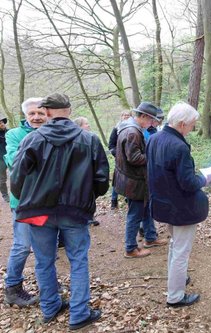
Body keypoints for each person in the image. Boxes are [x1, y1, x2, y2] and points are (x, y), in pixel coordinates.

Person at [10, 93, 108, 329]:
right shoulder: (89, 139)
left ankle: (50, 307)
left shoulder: (32, 139)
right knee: (78, 261)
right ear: (69, 111)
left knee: (44, 262)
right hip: (74, 211)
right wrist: (86, 196)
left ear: (48, 112)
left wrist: (30, 197)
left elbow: (16, 179)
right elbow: (102, 181)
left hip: (38, 211)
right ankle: (79, 314)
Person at [147, 102, 210, 308]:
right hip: (181, 206)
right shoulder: (179, 146)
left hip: (164, 201)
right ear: (182, 124)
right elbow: (188, 183)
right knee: (181, 250)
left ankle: (177, 279)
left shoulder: (154, 138)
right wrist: (204, 179)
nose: (192, 128)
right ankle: (175, 296)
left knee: (175, 245)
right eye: (192, 125)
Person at [3, 98, 47, 307]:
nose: (37, 117)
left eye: (40, 113)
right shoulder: (14, 134)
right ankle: (12, 288)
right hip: (24, 200)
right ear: (26, 115)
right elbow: (14, 161)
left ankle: (47, 285)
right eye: (32, 114)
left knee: (45, 244)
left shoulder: (52, 132)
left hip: (48, 199)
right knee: (22, 245)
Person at [113, 102, 167, 259]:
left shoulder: (130, 128)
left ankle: (150, 237)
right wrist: (154, 156)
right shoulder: (132, 132)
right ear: (143, 116)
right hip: (134, 182)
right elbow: (134, 157)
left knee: (146, 209)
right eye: (151, 121)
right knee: (135, 214)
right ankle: (130, 248)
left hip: (136, 180)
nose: (152, 125)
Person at [74, 116, 100, 227]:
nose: (88, 125)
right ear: (79, 126)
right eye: (86, 123)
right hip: (80, 174)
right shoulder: (74, 140)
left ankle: (90, 216)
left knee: (90, 195)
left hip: (90, 172)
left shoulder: (92, 137)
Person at [108, 110, 132, 209]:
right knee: (117, 179)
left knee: (129, 178)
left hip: (130, 158)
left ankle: (128, 198)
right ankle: (114, 200)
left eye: (128, 115)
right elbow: (111, 145)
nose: (126, 116)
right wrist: (117, 155)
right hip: (119, 159)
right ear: (121, 116)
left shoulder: (133, 129)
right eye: (124, 115)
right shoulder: (116, 129)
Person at [0, 115, 8, 202]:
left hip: (10, 157)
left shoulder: (10, 132)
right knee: (2, 179)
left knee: (18, 175)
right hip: (0, 159)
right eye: (0, 123)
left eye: (2, 122)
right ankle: (5, 195)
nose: (2, 124)